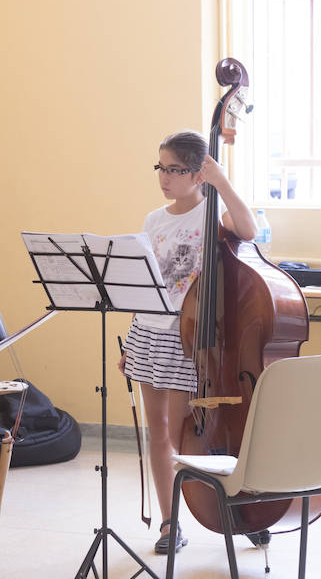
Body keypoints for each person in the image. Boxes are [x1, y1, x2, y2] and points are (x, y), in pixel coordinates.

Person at [117, 130, 256, 554]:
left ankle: (231, 511)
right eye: (161, 167)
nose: (165, 177)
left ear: (198, 174)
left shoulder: (213, 214)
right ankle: (168, 522)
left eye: (175, 169)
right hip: (149, 332)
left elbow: (249, 230)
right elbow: (146, 280)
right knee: (157, 431)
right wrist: (131, 344)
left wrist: (223, 183)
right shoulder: (153, 219)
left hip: (188, 336)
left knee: (183, 434)